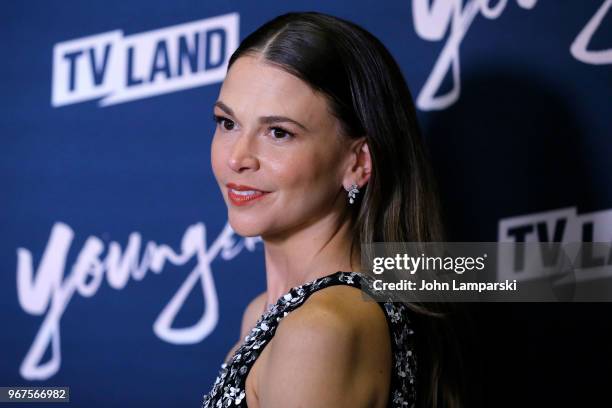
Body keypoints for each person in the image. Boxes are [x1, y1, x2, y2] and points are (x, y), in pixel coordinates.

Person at [202, 11, 463, 408]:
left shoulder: (320, 330)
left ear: (358, 162)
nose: (238, 158)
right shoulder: (269, 311)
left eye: (279, 133)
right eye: (227, 123)